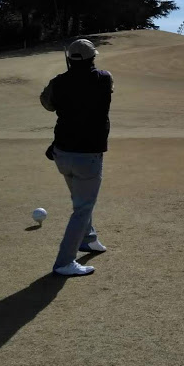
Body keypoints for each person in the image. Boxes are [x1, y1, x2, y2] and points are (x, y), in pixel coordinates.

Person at [40, 38, 114, 277]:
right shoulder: (104, 79)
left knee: (80, 200)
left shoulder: (58, 82)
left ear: (69, 60)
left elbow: (47, 104)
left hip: (62, 153)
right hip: (87, 156)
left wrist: (65, 80)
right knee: (83, 207)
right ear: (93, 58)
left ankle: (88, 239)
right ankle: (64, 262)